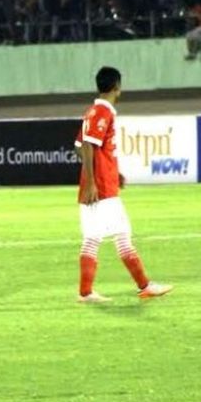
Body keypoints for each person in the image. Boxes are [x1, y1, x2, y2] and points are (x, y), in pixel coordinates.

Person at [75, 67, 172, 303]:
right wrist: (93, 181)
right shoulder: (102, 111)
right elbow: (86, 145)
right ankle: (144, 286)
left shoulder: (93, 110)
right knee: (121, 236)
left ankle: (87, 292)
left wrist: (111, 171)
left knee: (93, 238)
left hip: (99, 185)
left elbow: (79, 145)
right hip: (102, 190)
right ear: (117, 86)